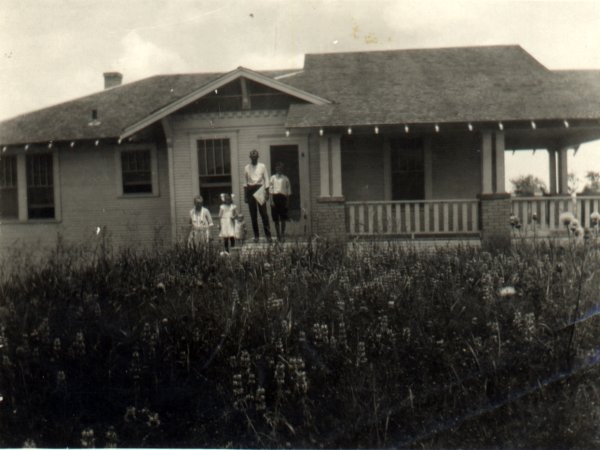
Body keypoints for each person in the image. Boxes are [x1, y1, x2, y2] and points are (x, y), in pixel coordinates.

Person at [244, 149, 272, 243]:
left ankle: (268, 236)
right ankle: (256, 236)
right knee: (253, 215)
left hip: (260, 189)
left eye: (255, 157)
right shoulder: (247, 167)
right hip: (250, 190)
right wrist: (245, 196)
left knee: (264, 214)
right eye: (252, 157)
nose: (254, 158)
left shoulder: (262, 166)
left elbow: (267, 179)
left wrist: (267, 192)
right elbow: (245, 182)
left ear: (258, 157)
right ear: (250, 157)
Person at [269, 162, 292, 242]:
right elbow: (271, 190)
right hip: (275, 198)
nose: (279, 169)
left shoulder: (285, 178)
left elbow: (288, 191)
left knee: (283, 219)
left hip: (283, 198)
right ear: (275, 168)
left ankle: (282, 235)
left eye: (281, 168)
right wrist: (271, 201)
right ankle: (278, 235)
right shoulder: (272, 178)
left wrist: (287, 202)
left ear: (283, 169)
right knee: (276, 219)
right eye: (278, 168)